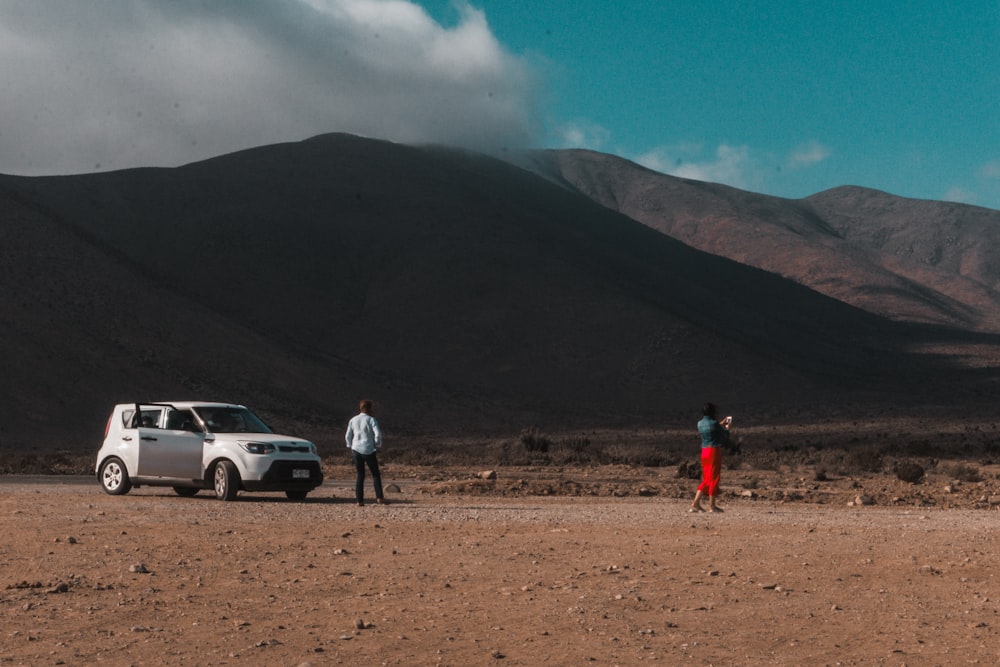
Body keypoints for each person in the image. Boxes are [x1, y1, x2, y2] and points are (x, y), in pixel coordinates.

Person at [690, 402, 731, 513]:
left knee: (707, 478)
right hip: (714, 451)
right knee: (714, 478)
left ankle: (696, 503)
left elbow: (712, 429)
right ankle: (712, 506)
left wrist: (720, 423)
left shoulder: (699, 423)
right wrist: (727, 427)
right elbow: (725, 435)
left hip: (704, 451)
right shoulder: (714, 423)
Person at [345, 399, 386, 506]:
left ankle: (359, 501)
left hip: (356, 449)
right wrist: (377, 445)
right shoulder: (371, 420)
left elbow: (348, 435)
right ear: (369, 408)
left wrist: (350, 445)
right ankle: (379, 498)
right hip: (369, 449)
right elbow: (378, 434)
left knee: (360, 475)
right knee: (375, 474)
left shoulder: (353, 420)